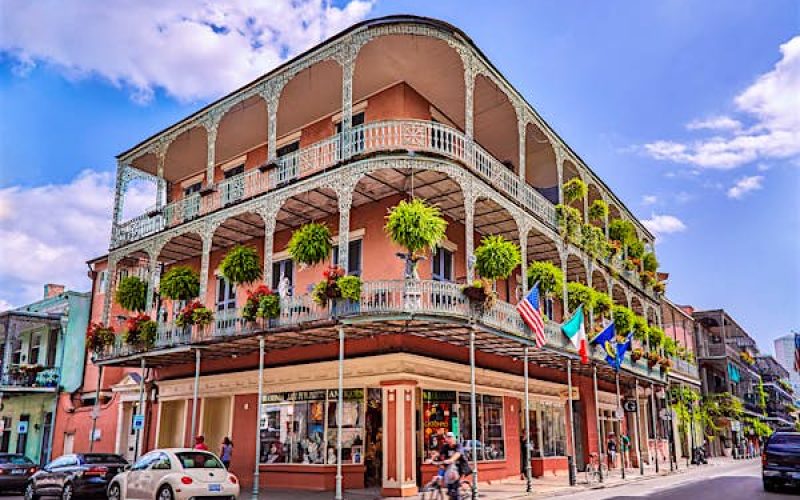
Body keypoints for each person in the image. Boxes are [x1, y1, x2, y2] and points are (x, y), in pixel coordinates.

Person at [437, 432, 467, 500]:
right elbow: (439, 454)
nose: (448, 439)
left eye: (450, 437)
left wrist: (451, 459)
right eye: (447, 438)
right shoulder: (445, 447)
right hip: (451, 468)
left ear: (454, 439)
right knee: (450, 489)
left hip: (461, 467)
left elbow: (458, 454)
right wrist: (431, 459)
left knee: (455, 489)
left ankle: (457, 496)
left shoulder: (458, 446)